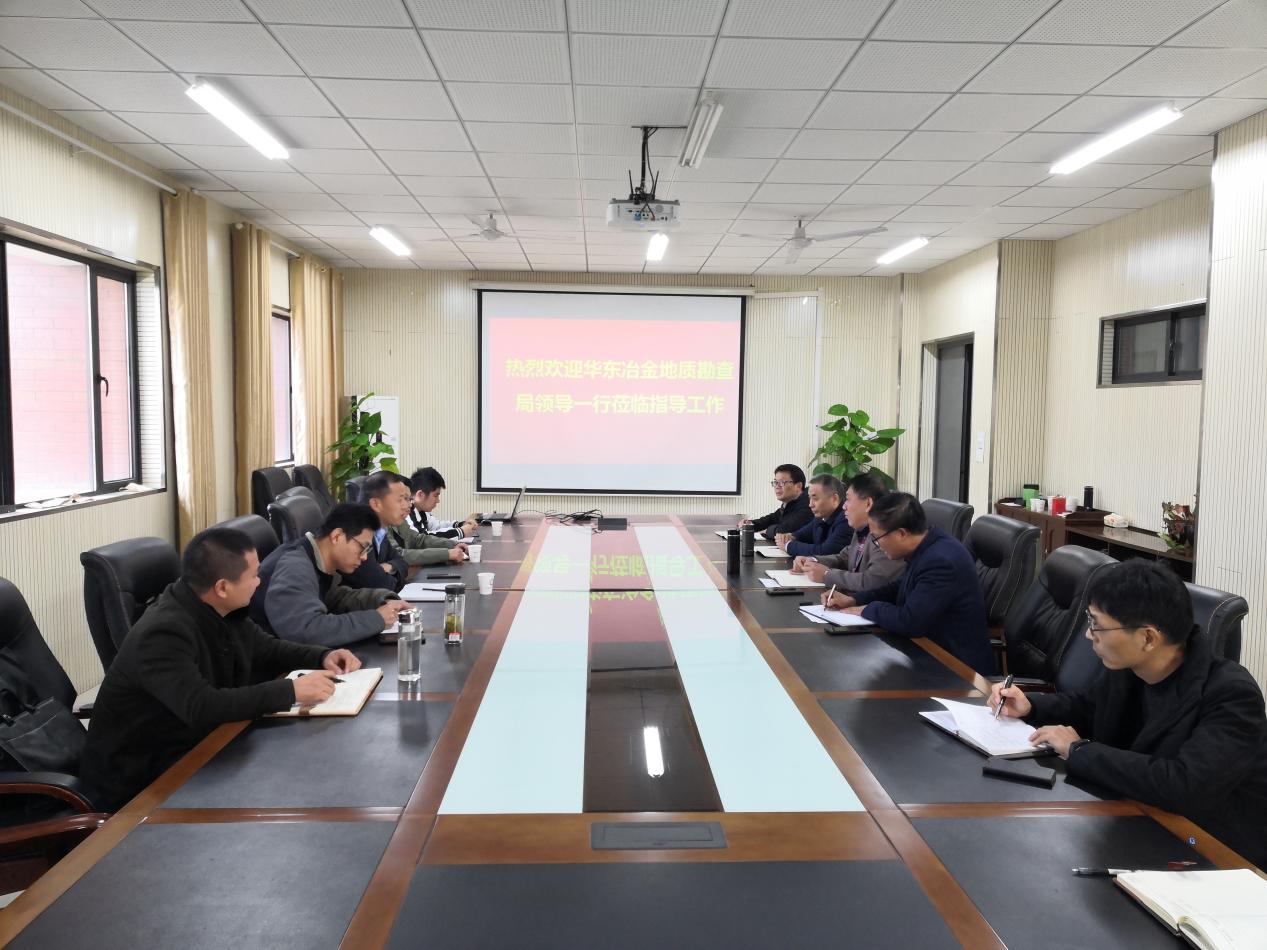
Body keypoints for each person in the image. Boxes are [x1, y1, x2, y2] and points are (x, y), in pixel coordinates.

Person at [989, 560, 1267, 868]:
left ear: (1148, 638)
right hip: (1139, 818)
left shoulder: (1232, 694)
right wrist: (1032, 706)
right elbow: (1090, 707)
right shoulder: (1132, 667)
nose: (1088, 635)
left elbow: (1185, 785)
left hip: (1210, 850)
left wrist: (1080, 751)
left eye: (1097, 624)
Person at [79, 527, 364, 810]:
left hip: (197, 749)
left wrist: (322, 655)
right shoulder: (162, 633)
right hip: (140, 783)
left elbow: (267, 648)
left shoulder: (218, 608)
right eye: (254, 575)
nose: (259, 581)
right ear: (223, 587)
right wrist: (290, 691)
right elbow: (203, 705)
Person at [828, 492, 993, 675]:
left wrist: (868, 608)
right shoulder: (928, 544)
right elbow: (899, 587)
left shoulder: (941, 561)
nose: (876, 545)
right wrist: (855, 600)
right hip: (926, 650)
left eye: (877, 538)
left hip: (956, 668)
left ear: (901, 533)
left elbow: (909, 621)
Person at [250, 502, 406, 647]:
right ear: (337, 536)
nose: (365, 557)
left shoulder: (316, 560)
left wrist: (383, 600)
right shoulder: (294, 566)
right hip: (269, 661)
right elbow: (309, 630)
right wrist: (377, 619)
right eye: (362, 548)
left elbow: (334, 598)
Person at [792, 471, 904, 593]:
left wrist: (827, 574)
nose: (844, 506)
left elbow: (872, 581)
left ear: (868, 503)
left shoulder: (887, 534)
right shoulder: (861, 529)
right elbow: (844, 557)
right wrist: (813, 561)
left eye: (848, 499)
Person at [776, 473, 852, 558]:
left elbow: (825, 552)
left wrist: (787, 546)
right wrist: (788, 537)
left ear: (834, 499)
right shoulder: (820, 517)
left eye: (815, 498)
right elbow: (800, 535)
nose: (810, 504)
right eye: (810, 498)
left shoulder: (846, 519)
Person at [744, 464, 812, 541]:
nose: (777, 486)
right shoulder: (790, 503)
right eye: (775, 482)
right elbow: (772, 518)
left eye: (782, 482)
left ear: (798, 486)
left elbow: (784, 530)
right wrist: (750, 524)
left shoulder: (809, 504)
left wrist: (767, 531)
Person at [409, 466, 478, 539]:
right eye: (435, 495)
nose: (438, 501)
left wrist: (461, 525)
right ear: (420, 494)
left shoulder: (421, 510)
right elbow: (423, 540)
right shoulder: (406, 514)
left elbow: (436, 526)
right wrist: (460, 532)